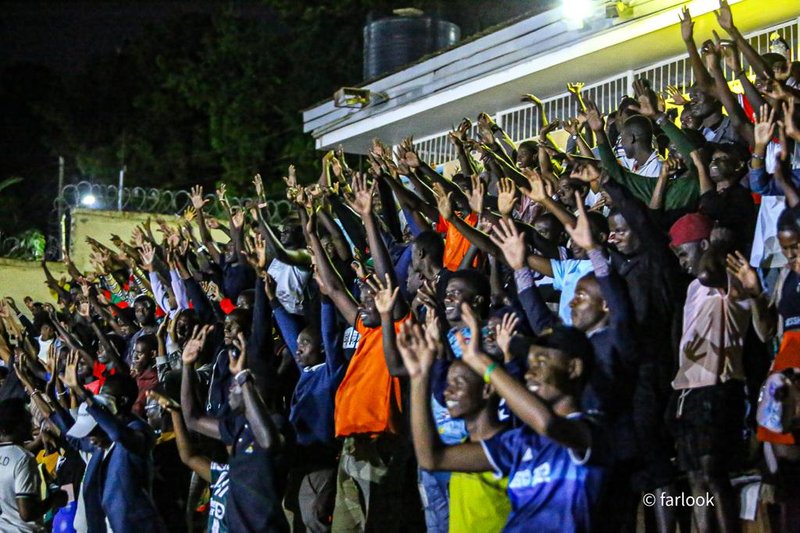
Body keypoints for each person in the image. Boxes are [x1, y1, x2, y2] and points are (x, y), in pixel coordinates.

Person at [399, 304, 608, 532]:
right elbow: (432, 459)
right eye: (530, 364)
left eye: (542, 362)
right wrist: (419, 376)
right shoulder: (520, 442)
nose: (530, 373)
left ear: (573, 368)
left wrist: (482, 363)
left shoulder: (592, 429)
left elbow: (548, 424)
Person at [0, 398, 65, 532]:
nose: (32, 423)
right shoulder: (24, 459)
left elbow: (14, 457)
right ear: (19, 425)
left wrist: (40, 440)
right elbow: (26, 513)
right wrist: (54, 499)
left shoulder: (12, 455)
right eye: (28, 419)